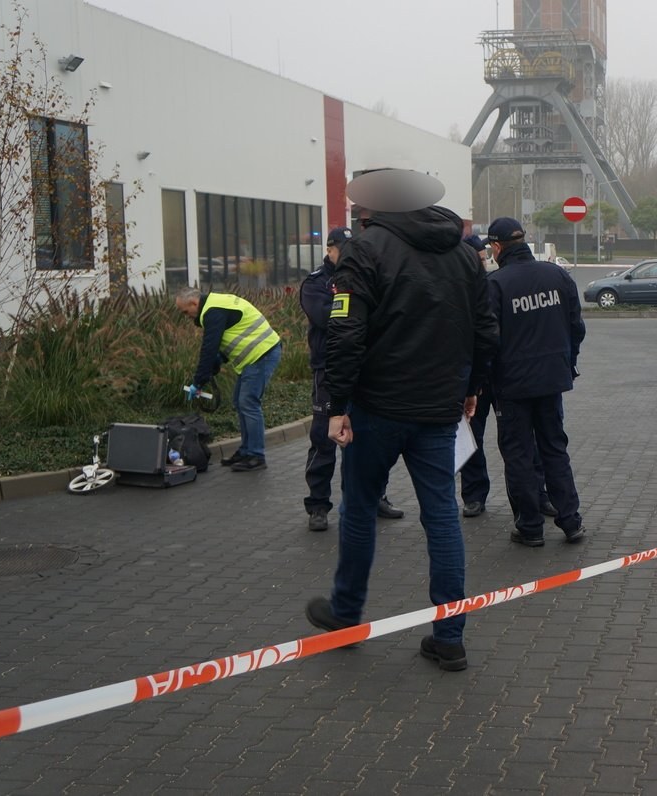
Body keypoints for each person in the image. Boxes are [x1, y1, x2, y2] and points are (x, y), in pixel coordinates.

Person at [306, 181, 497, 673]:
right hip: (439, 408)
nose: (357, 214)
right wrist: (471, 388)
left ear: (379, 207)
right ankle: (449, 637)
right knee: (442, 516)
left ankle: (346, 616)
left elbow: (345, 333)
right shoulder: (462, 255)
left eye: (359, 207)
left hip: (377, 408)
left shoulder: (364, 251)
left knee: (360, 507)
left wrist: (336, 404)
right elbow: (485, 329)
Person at [485, 217, 586, 547]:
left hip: (512, 388)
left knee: (519, 456)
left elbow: (487, 339)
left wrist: (482, 382)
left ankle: (530, 527)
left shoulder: (496, 284)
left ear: (497, 247)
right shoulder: (557, 275)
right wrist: (566, 363)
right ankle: (570, 521)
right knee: (555, 449)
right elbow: (576, 327)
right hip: (551, 381)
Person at [299, 227, 403, 532]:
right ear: (330, 249)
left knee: (369, 438)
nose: (346, 253)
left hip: (364, 368)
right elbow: (325, 317)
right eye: (341, 248)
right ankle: (318, 504)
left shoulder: (365, 275)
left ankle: (375, 496)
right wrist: (358, 311)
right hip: (328, 369)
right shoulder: (316, 282)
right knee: (323, 438)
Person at [459, 233, 556, 521]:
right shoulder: (456, 288)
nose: (481, 263)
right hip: (473, 378)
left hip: (505, 375)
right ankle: (474, 496)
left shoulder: (497, 283)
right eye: (476, 259)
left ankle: (538, 495)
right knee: (471, 439)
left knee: (525, 440)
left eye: (483, 258)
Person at [176, 286, 281, 472]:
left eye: (186, 312)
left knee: (248, 403)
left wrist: (198, 381)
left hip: (262, 354)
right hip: (257, 356)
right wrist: (215, 365)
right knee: (240, 402)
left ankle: (256, 456)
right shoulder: (215, 304)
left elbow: (209, 347)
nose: (187, 316)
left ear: (194, 303)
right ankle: (246, 451)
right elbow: (231, 336)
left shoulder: (212, 311)